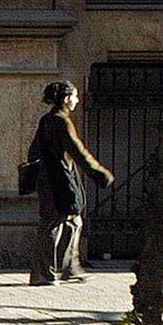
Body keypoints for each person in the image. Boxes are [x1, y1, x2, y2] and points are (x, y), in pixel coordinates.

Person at [24, 80, 112, 284]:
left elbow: (33, 151)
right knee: (52, 225)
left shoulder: (47, 120)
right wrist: (100, 173)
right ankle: (42, 274)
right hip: (58, 182)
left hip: (56, 180)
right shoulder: (60, 122)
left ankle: (69, 268)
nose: (77, 100)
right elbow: (78, 151)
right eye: (74, 96)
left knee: (74, 221)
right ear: (66, 99)